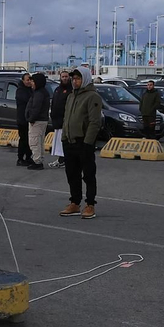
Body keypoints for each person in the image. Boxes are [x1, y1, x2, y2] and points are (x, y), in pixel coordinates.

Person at [59, 70, 102, 219]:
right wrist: (64, 137)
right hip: (69, 141)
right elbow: (66, 118)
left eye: (78, 78)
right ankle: (75, 203)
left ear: (85, 79)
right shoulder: (71, 96)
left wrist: (88, 142)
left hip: (83, 142)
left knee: (88, 174)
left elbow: (95, 122)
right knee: (72, 174)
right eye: (74, 79)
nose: (74, 81)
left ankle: (90, 204)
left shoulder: (92, 96)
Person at [24, 71, 50, 171]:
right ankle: (39, 159)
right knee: (39, 141)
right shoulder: (43, 92)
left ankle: (37, 161)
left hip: (37, 121)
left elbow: (36, 108)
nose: (31, 83)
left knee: (34, 141)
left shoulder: (39, 93)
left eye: (33, 81)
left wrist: (31, 118)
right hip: (42, 120)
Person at [48, 72, 71, 168]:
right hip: (57, 121)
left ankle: (64, 160)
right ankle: (61, 159)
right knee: (58, 143)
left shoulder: (71, 90)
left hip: (65, 121)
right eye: (63, 77)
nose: (64, 78)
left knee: (64, 142)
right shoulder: (57, 89)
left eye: (66, 76)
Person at [15, 73, 34, 165]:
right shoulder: (20, 90)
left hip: (29, 118)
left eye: (30, 80)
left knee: (29, 140)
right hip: (22, 119)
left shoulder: (31, 90)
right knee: (23, 139)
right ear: (23, 81)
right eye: (27, 80)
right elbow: (27, 100)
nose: (29, 81)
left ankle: (28, 157)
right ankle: (20, 158)